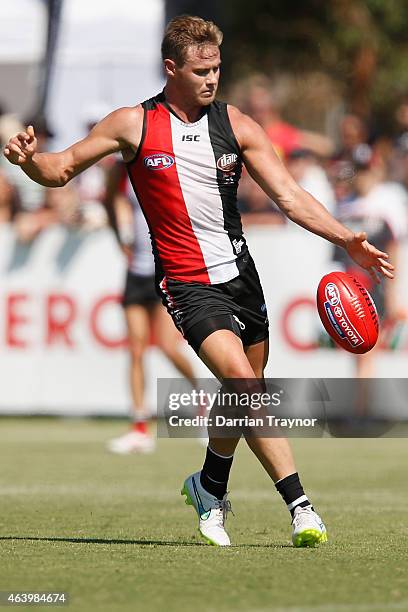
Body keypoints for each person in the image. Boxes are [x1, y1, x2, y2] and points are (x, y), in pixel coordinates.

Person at [3, 15, 394, 548]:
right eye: (201, 70)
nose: (212, 79)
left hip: (241, 276)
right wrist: (28, 162)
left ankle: (209, 486)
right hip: (187, 285)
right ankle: (301, 506)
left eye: (217, 69)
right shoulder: (132, 125)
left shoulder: (236, 125)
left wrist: (346, 237)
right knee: (245, 386)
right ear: (171, 68)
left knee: (241, 396)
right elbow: (61, 167)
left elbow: (290, 196)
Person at [103, 161, 199, 454]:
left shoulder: (163, 165)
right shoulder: (121, 172)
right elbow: (110, 201)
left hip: (168, 271)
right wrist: (120, 238)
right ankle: (140, 427)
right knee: (135, 349)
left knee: (169, 347)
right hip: (137, 272)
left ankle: (202, 400)